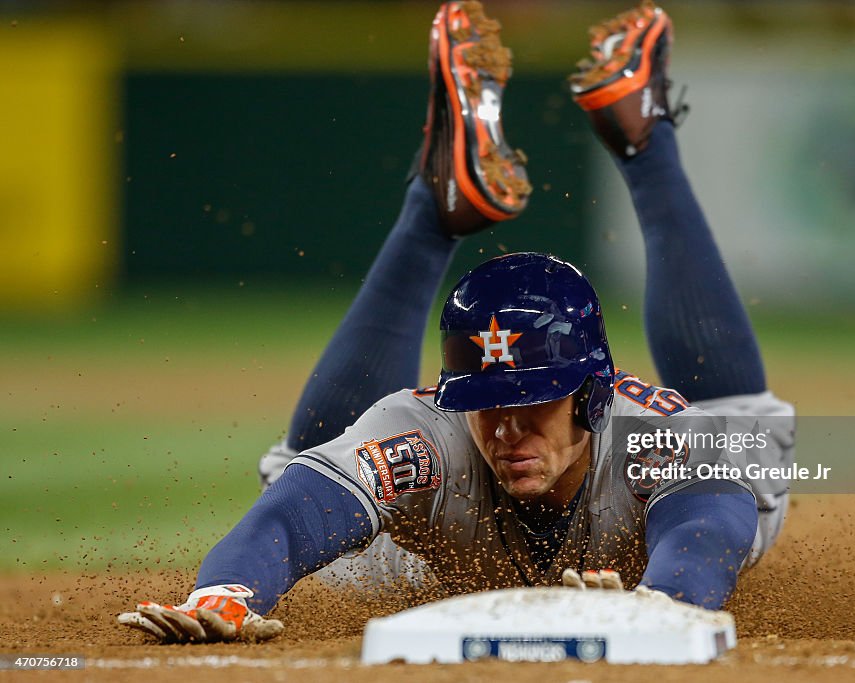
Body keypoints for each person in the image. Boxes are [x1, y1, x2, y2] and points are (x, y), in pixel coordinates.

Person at [118, 0, 794, 644]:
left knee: (745, 437)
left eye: (532, 402)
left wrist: (667, 600)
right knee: (307, 464)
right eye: (483, 402)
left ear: (591, 394)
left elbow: (709, 521)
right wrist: (224, 593)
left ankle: (647, 144)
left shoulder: (659, 439)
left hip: (688, 484)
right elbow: (298, 508)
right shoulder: (428, 439)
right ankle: (435, 207)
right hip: (424, 559)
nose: (505, 428)